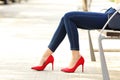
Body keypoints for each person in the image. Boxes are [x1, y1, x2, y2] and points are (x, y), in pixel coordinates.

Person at [31, 7, 116, 73]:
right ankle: (46, 56)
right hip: (112, 15)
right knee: (65, 18)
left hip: (114, 19)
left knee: (68, 17)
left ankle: (75, 56)